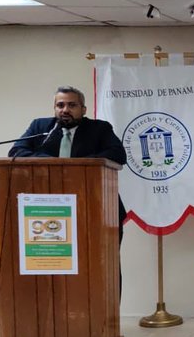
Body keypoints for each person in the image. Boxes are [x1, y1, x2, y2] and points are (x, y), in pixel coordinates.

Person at [8, 85, 128, 235]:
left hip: (95, 204)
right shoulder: (40, 126)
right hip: (47, 207)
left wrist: (78, 165)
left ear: (83, 110)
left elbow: (118, 154)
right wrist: (50, 161)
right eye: (60, 105)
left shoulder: (99, 128)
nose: (65, 110)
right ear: (54, 108)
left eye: (72, 105)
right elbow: (16, 150)